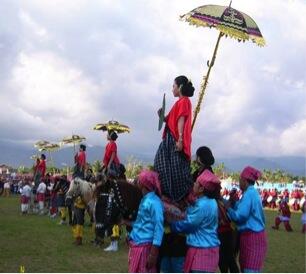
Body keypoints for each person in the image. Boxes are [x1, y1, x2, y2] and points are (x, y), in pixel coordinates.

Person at [170, 170, 221, 273]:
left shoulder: (202, 205)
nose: (193, 184)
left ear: (202, 188)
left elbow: (189, 224)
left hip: (202, 252)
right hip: (210, 250)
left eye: (196, 183)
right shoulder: (211, 202)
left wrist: (172, 224)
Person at [154, 75, 194, 202]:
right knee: (163, 166)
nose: (172, 89)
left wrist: (180, 140)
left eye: (173, 86)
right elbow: (169, 120)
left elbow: (180, 120)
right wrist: (161, 115)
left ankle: (177, 198)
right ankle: (169, 195)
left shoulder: (184, 101)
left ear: (180, 87)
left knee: (174, 170)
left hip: (175, 140)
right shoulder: (179, 103)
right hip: (171, 139)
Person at [226, 166, 267, 273]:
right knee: (247, 268)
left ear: (244, 180)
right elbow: (240, 208)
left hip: (253, 238)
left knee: (250, 270)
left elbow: (240, 216)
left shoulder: (249, 194)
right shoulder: (250, 193)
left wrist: (228, 208)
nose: (239, 182)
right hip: (250, 237)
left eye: (240, 179)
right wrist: (234, 203)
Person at [125, 170, 164, 273]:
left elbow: (158, 227)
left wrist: (153, 254)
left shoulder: (154, 202)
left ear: (143, 184)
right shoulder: (145, 199)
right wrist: (126, 223)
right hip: (137, 245)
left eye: (139, 180)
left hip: (145, 248)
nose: (136, 182)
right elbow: (142, 223)